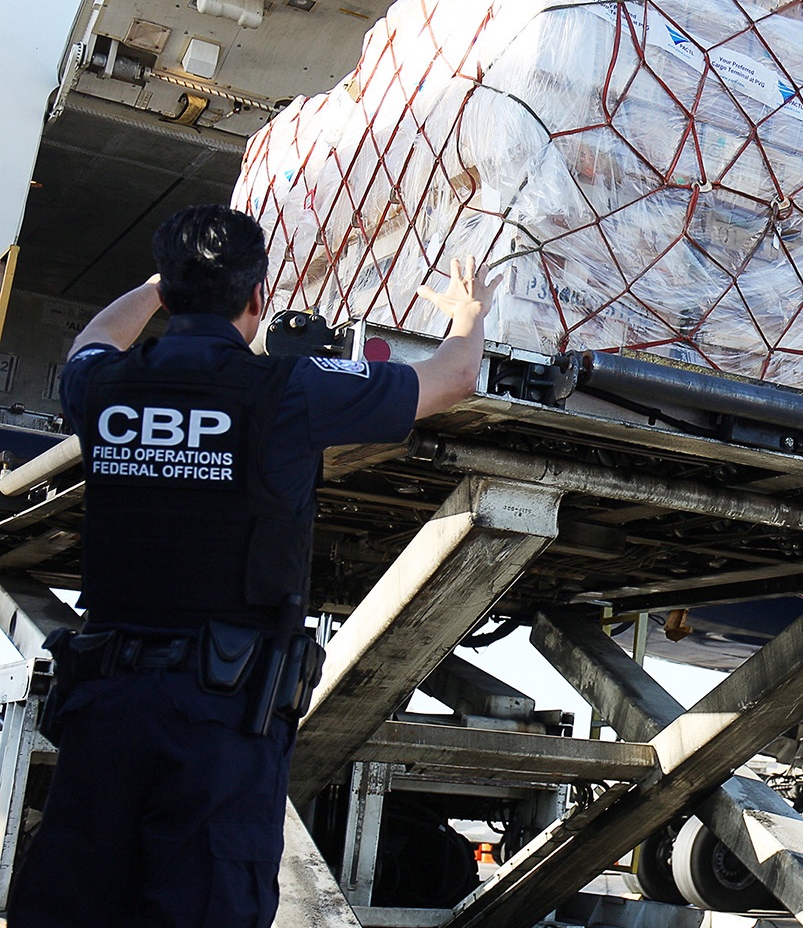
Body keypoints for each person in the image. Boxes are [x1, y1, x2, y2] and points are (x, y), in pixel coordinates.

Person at [8, 204, 499, 928]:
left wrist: (164, 281)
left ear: (170, 298)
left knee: (75, 896)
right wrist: (468, 310)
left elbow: (93, 338)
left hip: (104, 707)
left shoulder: (103, 388)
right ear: (258, 299)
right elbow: (455, 377)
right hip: (219, 719)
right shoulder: (287, 392)